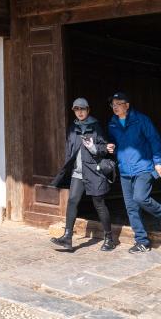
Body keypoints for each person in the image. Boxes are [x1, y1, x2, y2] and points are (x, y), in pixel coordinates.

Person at [106, 91, 161, 252]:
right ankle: (142, 241)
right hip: (125, 169)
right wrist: (111, 146)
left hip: (143, 166)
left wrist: (158, 162)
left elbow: (154, 140)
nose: (115, 107)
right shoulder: (112, 123)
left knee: (140, 197)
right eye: (113, 105)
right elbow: (115, 142)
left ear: (127, 105)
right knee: (131, 207)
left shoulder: (141, 120)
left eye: (118, 104)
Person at [49, 97, 117, 252]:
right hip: (78, 172)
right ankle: (67, 238)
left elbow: (105, 148)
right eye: (77, 109)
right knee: (72, 201)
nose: (80, 112)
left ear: (88, 110)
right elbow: (69, 149)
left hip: (94, 171)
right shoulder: (72, 128)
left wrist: (93, 148)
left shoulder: (96, 126)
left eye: (82, 109)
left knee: (99, 204)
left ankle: (109, 239)